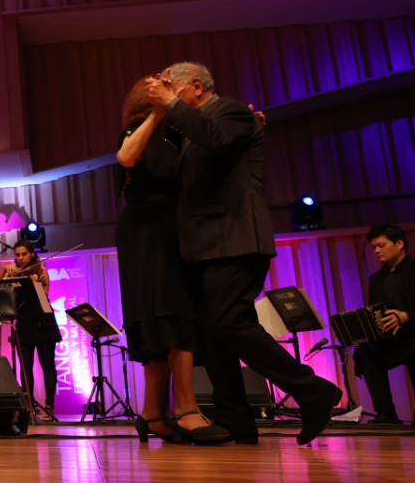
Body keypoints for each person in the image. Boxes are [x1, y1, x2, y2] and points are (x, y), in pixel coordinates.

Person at [147, 61, 341, 445]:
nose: (166, 90)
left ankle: (313, 390)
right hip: (204, 244)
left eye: (172, 85)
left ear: (197, 86)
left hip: (233, 237)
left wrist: (170, 104)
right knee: (214, 333)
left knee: (228, 322)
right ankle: (236, 418)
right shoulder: (191, 124)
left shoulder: (231, 110)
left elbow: (215, 138)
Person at [116, 77, 227, 444]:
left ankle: (152, 414)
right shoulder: (140, 128)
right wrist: (157, 113)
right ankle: (187, 410)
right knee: (171, 315)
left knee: (168, 316)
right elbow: (126, 157)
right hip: (147, 230)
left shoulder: (179, 135)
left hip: (171, 228)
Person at [352, 224, 415, 425]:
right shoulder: (377, 279)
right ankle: (386, 414)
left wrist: (406, 316)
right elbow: (374, 310)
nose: (376, 251)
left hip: (414, 336)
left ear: (399, 244)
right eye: (374, 247)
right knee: (366, 351)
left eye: (381, 245)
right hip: (390, 340)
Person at [2, 240, 60, 419]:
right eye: (17, 255)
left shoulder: (41, 270)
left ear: (32, 254)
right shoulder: (13, 272)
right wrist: (5, 271)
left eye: (24, 254)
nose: (20, 258)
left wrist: (33, 284)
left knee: (47, 364)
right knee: (25, 367)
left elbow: (44, 296)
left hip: (43, 320)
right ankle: (29, 407)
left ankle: (49, 407)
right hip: (24, 321)